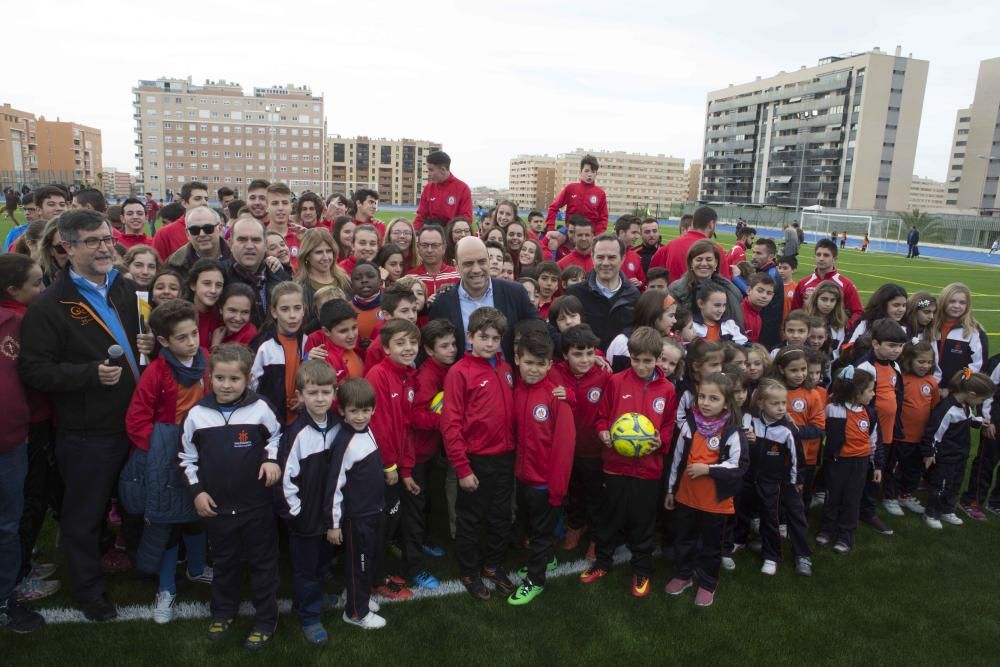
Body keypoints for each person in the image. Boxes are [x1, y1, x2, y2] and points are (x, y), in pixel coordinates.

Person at [18, 209, 154, 621]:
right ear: (68, 247)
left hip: (131, 419)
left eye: (107, 239)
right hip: (86, 429)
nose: (103, 248)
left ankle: (140, 565)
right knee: (85, 516)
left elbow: (128, 341)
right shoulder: (49, 306)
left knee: (133, 503)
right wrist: (88, 373)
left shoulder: (122, 287)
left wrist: (144, 343)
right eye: (92, 241)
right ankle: (89, 591)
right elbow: (33, 369)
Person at [179, 343, 282, 649]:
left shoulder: (261, 408)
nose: (226, 385)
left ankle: (266, 618)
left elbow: (277, 436)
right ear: (210, 377)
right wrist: (197, 492)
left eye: (234, 379)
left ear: (247, 379)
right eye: (220, 378)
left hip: (257, 507)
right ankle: (223, 612)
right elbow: (186, 459)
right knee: (224, 563)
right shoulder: (196, 415)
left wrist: (270, 459)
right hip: (218, 510)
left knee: (264, 565)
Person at [124, 299, 212, 624]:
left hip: (202, 456)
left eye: (194, 334)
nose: (192, 342)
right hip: (168, 462)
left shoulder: (206, 360)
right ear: (163, 342)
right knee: (168, 524)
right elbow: (136, 421)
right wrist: (167, 449)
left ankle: (197, 568)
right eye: (183, 337)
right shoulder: (157, 373)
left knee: (198, 516)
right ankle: (165, 587)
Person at [580, 327, 677, 597]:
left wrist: (662, 441)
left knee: (642, 520)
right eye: (636, 359)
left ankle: (642, 569)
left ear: (658, 359)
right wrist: (602, 431)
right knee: (610, 517)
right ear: (629, 357)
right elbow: (602, 416)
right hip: (615, 465)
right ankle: (602, 562)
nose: (642, 366)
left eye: (648, 360)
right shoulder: (616, 382)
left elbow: (669, 424)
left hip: (648, 469)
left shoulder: (667, 389)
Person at [442, 307, 517, 600]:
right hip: (475, 461)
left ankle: (492, 565)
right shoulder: (459, 373)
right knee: (471, 519)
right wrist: (462, 468)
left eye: (495, 338)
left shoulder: (506, 368)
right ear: (470, 336)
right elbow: (451, 424)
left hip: (504, 457)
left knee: (500, 516)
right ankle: (469, 571)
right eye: (483, 337)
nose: (489, 343)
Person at [665, 371, 746, 607]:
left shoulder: (733, 430)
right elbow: (678, 459)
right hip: (686, 497)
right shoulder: (690, 424)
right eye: (702, 397)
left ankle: (708, 583)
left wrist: (708, 469)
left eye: (713, 399)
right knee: (684, 539)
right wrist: (671, 490)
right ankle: (683, 575)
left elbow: (738, 465)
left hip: (715, 503)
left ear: (726, 402)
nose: (706, 403)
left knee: (711, 546)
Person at [507, 331, 575, 605]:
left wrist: (557, 490)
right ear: (517, 360)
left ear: (549, 364)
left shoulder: (557, 399)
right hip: (522, 477)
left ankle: (535, 580)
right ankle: (546, 560)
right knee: (534, 529)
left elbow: (564, 450)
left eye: (540, 363)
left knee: (541, 533)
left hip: (546, 483)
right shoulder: (518, 390)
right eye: (528, 362)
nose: (533, 369)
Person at [275, 361, 339, 644]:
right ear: (300, 395)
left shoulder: (339, 426)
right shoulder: (296, 434)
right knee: (306, 569)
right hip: (305, 518)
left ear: (334, 393)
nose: (320, 399)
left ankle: (312, 598)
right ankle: (309, 617)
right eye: (312, 393)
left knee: (324, 561)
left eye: (325, 392)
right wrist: (297, 515)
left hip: (330, 516)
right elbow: (285, 481)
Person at [0, 255, 45, 633]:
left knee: (8, 524)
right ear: (13, 291)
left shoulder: (21, 322)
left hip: (12, 441)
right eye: (36, 284)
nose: (42, 290)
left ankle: (5, 593)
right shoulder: (15, 322)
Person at [324, 378, 388, 630]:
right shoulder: (345, 442)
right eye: (353, 411)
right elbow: (333, 487)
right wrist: (333, 524)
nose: (360, 417)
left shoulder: (367, 430)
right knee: (358, 565)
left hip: (373, 511)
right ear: (342, 411)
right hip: (357, 517)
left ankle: (357, 597)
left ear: (373, 409)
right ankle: (355, 612)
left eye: (365, 410)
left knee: (367, 561)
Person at [364, 319, 421, 596]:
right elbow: (380, 427)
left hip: (397, 467)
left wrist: (406, 468)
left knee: (389, 522)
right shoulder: (378, 375)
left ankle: (377, 574)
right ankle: (372, 582)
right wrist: (389, 466)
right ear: (385, 348)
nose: (408, 348)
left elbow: (406, 427)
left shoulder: (409, 375)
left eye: (412, 342)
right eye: (400, 343)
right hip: (380, 467)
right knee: (380, 524)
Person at [400, 319, 458, 586]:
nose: (451, 350)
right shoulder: (427, 376)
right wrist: (448, 421)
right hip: (416, 455)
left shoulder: (446, 369)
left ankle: (421, 541)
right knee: (414, 508)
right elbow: (416, 417)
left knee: (424, 505)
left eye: (453, 344)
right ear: (430, 350)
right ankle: (413, 567)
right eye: (444, 346)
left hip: (431, 451)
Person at [428, 237, 538, 363]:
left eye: (482, 262)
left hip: (506, 378)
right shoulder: (442, 304)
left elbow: (537, 330)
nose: (476, 269)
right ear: (456, 266)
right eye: (468, 263)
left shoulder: (515, 293)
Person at [920, 370, 995, 529]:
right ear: (972, 394)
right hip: (946, 457)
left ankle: (947, 510)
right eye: (981, 399)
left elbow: (966, 419)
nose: (981, 402)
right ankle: (931, 512)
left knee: (954, 484)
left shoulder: (965, 405)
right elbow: (934, 432)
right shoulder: (947, 409)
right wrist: (929, 452)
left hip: (960, 455)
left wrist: (978, 422)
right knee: (941, 485)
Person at [817, 366, 878, 555]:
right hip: (837, 462)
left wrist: (877, 464)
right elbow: (822, 430)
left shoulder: (870, 413)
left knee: (852, 499)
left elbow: (875, 440)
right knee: (832, 496)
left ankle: (845, 536)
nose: (873, 394)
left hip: (859, 463)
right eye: (870, 390)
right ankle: (827, 529)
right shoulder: (832, 409)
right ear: (856, 392)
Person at [564, 234, 640, 351]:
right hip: (586, 364)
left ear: (623, 258)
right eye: (600, 257)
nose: (605, 263)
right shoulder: (574, 293)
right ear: (592, 257)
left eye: (611, 257)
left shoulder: (634, 295)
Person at [251, 282, 306, 427]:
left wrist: (306, 399)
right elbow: (251, 386)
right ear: (274, 312)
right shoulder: (263, 346)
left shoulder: (309, 342)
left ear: (304, 310)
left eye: (297, 308)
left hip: (302, 420)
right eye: (285, 309)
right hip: (270, 422)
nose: (292, 315)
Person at [894, 342, 940, 516]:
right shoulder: (902, 379)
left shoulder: (932, 382)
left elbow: (935, 409)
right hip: (901, 436)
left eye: (929, 362)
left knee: (914, 469)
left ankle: (905, 495)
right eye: (921, 361)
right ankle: (891, 496)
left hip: (920, 438)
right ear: (909, 360)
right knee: (897, 469)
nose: (925, 366)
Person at [223, 217, 290, 327]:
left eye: (256, 240)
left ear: (265, 245)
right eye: (242, 239)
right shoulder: (220, 278)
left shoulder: (281, 278)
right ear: (230, 244)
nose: (249, 246)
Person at [668, 240, 743, 329]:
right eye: (699, 259)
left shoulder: (730, 290)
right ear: (691, 263)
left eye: (709, 259)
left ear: (716, 263)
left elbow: (737, 325)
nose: (704, 264)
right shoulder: (676, 290)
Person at [791, 239, 864, 328]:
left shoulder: (846, 284)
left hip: (835, 336)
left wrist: (845, 327)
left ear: (834, 259)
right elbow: (795, 311)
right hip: (808, 335)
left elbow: (858, 312)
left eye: (826, 255)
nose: (821, 258)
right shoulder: (804, 283)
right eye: (818, 254)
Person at [650, 206, 731, 282]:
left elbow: (652, 274)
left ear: (693, 223)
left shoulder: (671, 245)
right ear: (711, 224)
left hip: (673, 295)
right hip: (702, 296)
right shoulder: (716, 249)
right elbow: (725, 284)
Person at [545, 154, 609, 235]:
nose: (589, 174)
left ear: (596, 174)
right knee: (553, 241)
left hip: (589, 235)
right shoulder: (570, 188)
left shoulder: (600, 193)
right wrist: (550, 227)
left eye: (593, 171)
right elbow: (553, 208)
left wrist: (597, 234)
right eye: (586, 171)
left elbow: (603, 218)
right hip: (570, 233)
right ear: (580, 172)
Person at [306, 299, 364, 381]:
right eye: (343, 331)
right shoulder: (325, 362)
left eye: (354, 328)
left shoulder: (356, 347)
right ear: (326, 331)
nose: (351, 335)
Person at [413, 152, 473, 232]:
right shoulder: (428, 188)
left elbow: (466, 219)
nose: (428, 174)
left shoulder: (463, 188)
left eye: (431, 170)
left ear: (443, 169)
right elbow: (421, 216)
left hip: (452, 236)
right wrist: (414, 232)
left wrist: (449, 233)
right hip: (431, 236)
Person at [152, 181, 210, 261]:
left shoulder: (214, 229)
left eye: (206, 199)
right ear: (184, 203)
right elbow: (157, 267)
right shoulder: (164, 233)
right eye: (198, 199)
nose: (204, 203)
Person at [407, 224, 460, 298]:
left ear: (444, 248)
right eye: (424, 245)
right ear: (418, 247)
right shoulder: (409, 279)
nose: (429, 250)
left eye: (435, 245)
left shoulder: (457, 275)